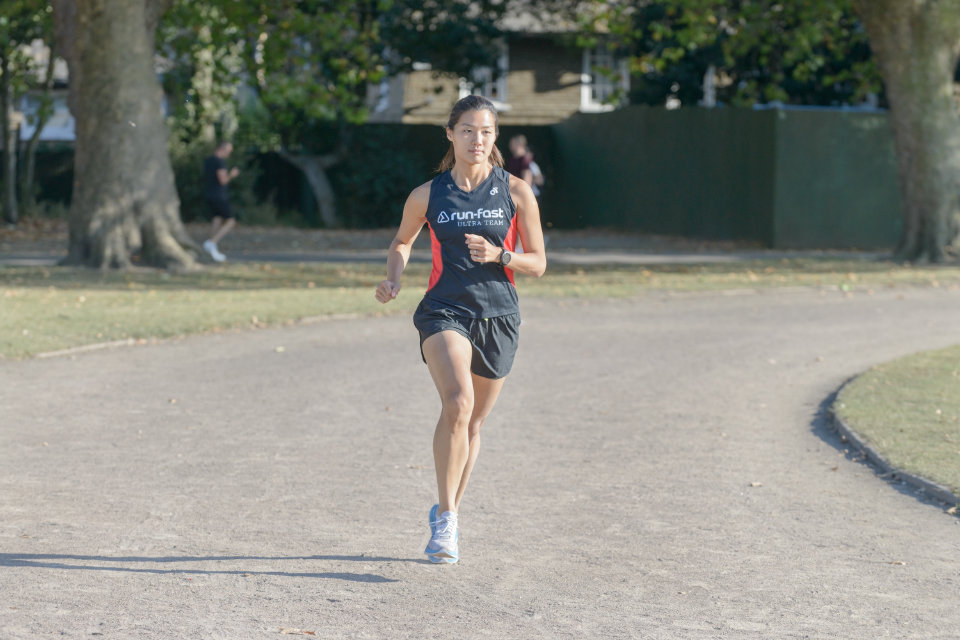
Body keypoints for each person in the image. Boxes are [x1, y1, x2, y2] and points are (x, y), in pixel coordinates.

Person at [375, 95, 546, 564]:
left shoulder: (515, 191)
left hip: (500, 316)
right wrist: (393, 275)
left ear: (495, 138)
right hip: (444, 311)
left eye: (486, 131)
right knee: (457, 402)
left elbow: (539, 263)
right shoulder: (428, 195)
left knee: (473, 423)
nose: (478, 139)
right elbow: (402, 241)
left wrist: (500, 255)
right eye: (468, 130)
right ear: (451, 134)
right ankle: (447, 520)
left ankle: (448, 509)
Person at [202, 141, 240, 262]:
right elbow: (223, 180)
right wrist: (232, 175)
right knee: (231, 221)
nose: (229, 154)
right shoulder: (219, 162)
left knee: (217, 218)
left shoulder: (208, 160)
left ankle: (212, 247)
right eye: (228, 151)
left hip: (209, 194)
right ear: (222, 149)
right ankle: (212, 242)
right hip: (219, 196)